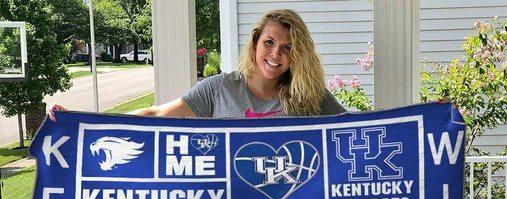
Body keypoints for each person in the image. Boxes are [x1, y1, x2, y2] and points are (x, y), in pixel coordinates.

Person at [48, 9, 346, 121]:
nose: (275, 54)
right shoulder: (220, 89)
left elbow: (355, 129)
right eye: (269, 42)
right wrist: (82, 121)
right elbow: (157, 114)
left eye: (287, 48)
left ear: (297, 55)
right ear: (256, 42)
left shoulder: (310, 95)